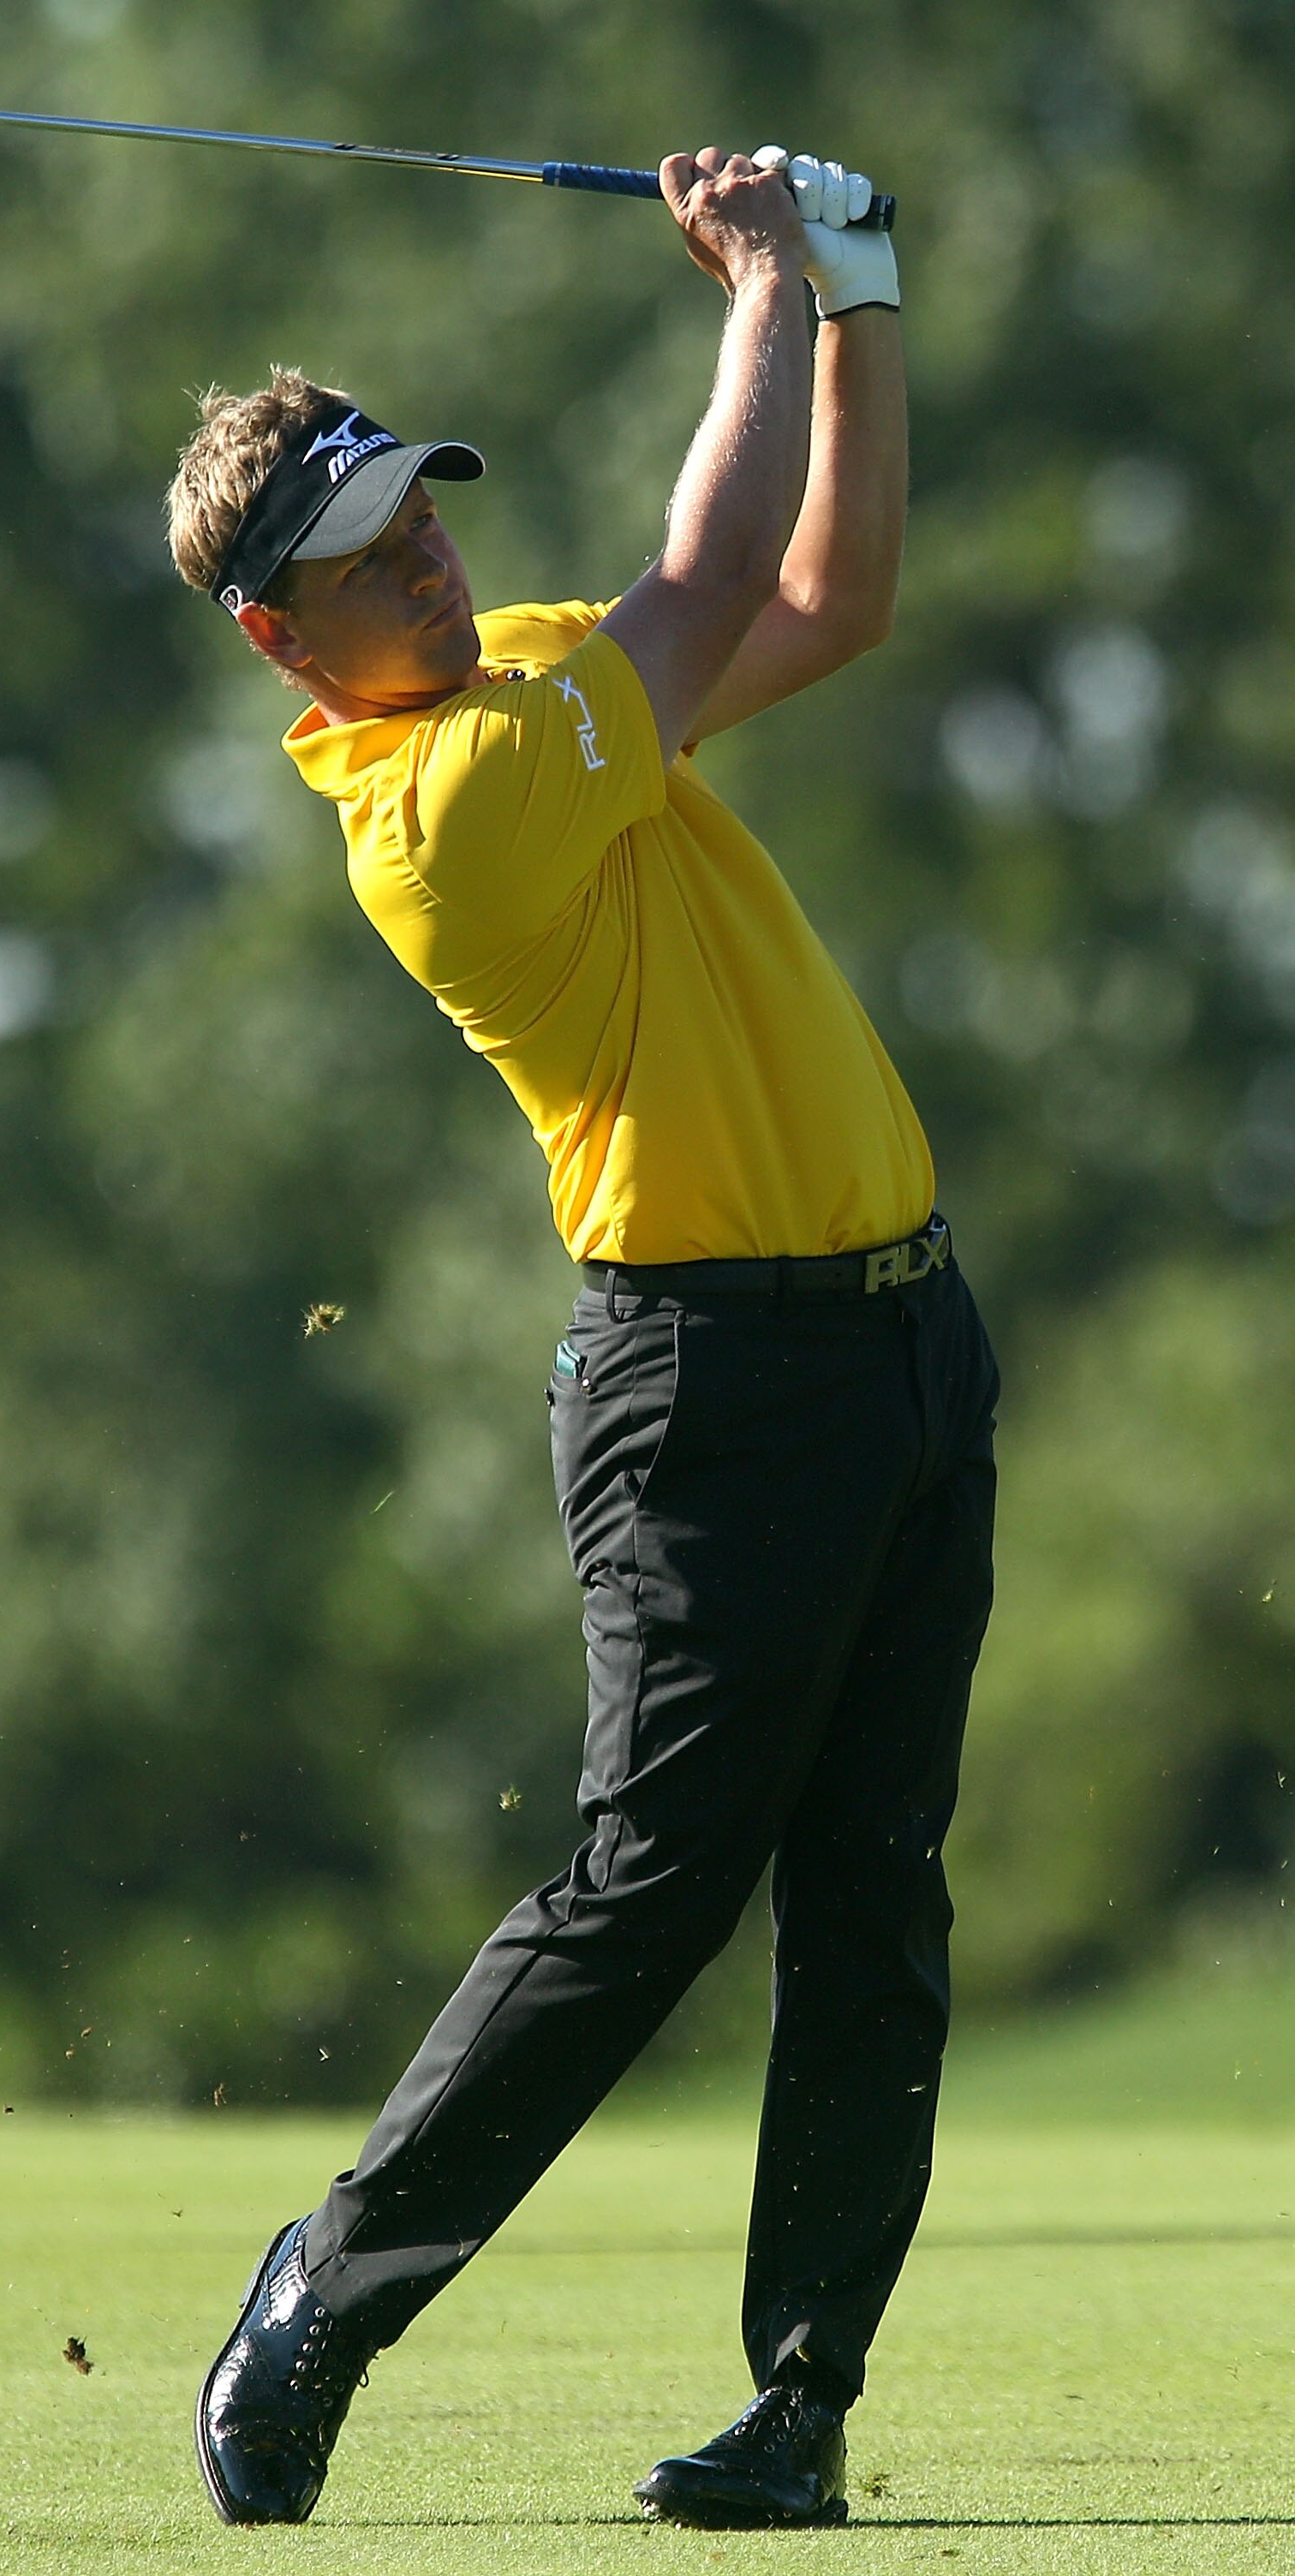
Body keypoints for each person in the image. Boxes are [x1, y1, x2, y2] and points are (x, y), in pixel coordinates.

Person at [165, 145, 998, 2532]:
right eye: (373, 563)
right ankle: (325, 2291)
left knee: (875, 1896)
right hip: (708, 1391)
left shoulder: (531, 662)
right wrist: (761, 280)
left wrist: (861, 305)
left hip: (907, 1349)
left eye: (424, 517)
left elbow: (825, 595)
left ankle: (801, 2405)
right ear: (283, 640)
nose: (430, 565)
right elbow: (714, 576)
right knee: (648, 1891)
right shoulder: (438, 813)